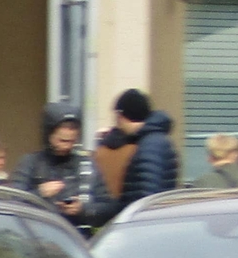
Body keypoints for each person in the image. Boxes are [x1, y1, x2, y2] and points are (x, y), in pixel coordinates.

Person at [83, 88, 178, 229]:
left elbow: (148, 195)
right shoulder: (154, 140)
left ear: (121, 116)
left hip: (145, 225)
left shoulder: (150, 145)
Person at [15, 100, 92, 223]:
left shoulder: (86, 164)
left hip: (77, 235)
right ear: (49, 136)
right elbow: (13, 201)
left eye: (72, 141)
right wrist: (39, 193)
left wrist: (82, 209)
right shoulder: (31, 163)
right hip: (39, 232)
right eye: (62, 140)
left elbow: (108, 206)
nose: (67, 146)